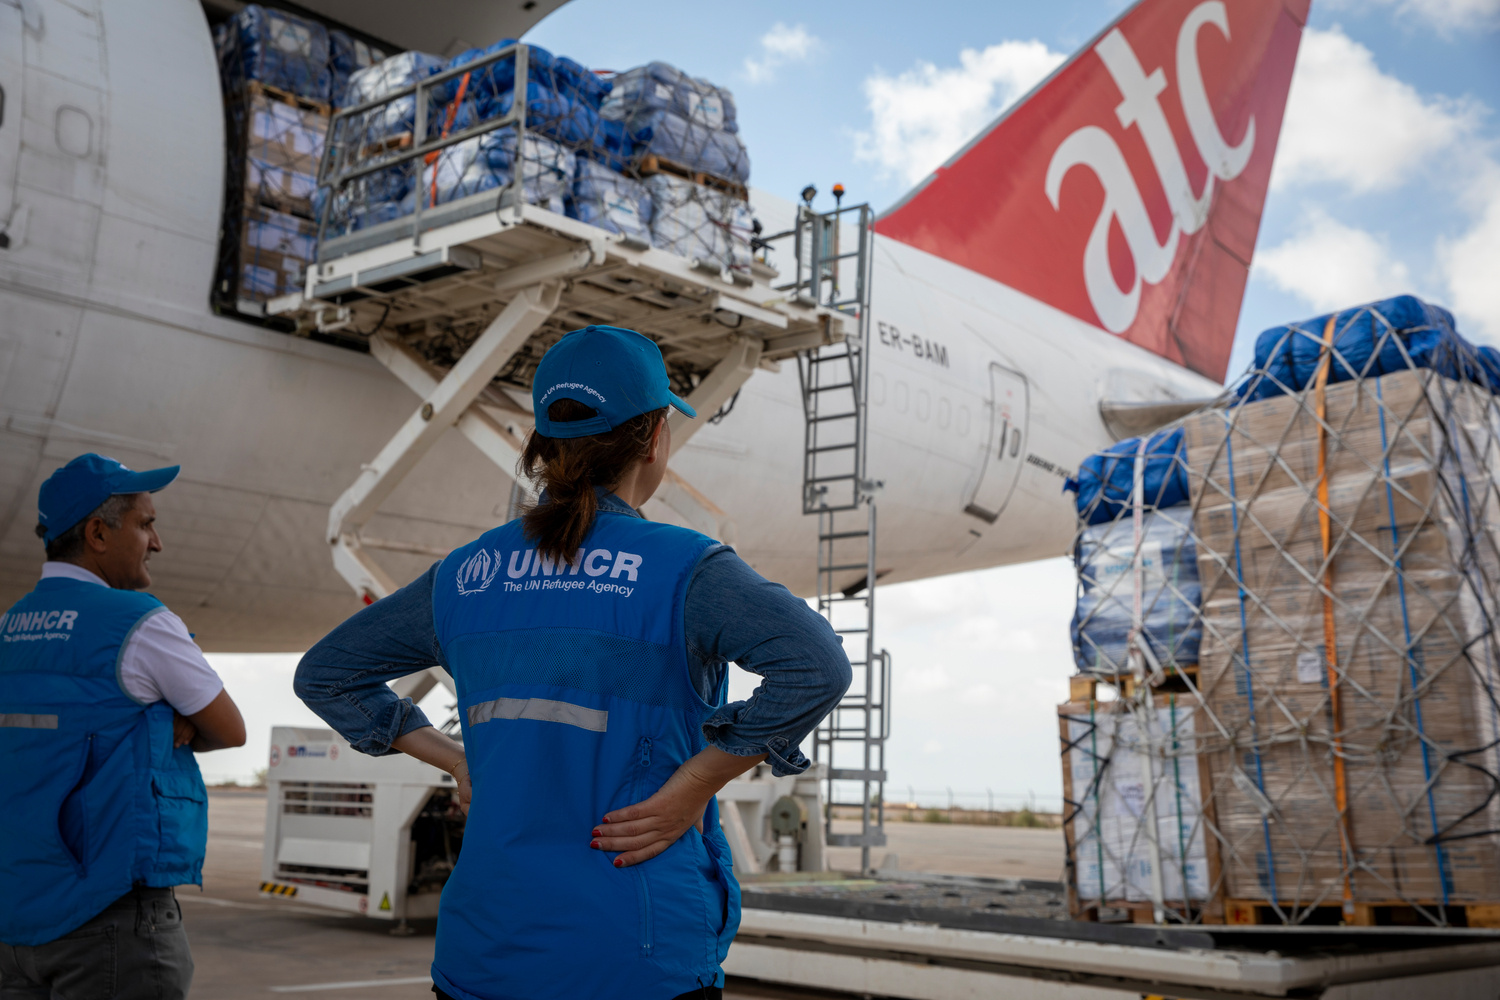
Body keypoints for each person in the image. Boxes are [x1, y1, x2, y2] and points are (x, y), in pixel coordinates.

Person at [295, 325, 852, 1000]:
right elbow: (817, 665)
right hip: (635, 956)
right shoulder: (685, 570)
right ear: (654, 441)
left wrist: (455, 759)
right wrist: (696, 784)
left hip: (485, 956)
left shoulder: (465, 576)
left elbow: (325, 674)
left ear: (542, 446)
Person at [0, 454, 247, 1000]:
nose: (155, 542)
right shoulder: (138, 622)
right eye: (146, 523)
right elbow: (231, 729)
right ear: (97, 533)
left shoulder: (7, 630)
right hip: (108, 919)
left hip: (15, 922)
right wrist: (170, 719)